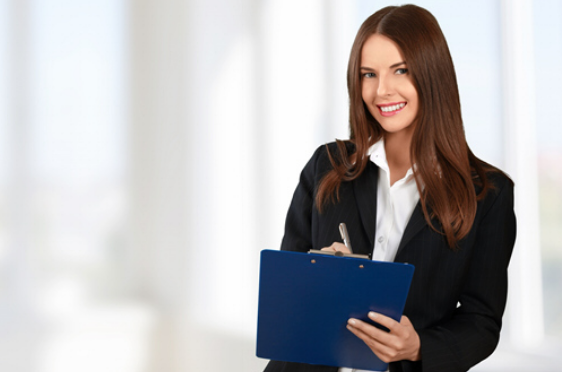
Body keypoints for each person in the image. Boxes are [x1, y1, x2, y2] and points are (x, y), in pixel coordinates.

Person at [263, 4, 516, 372]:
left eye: (401, 70)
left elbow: (482, 323)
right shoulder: (327, 166)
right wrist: (318, 270)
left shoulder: (488, 195)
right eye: (368, 74)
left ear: (432, 73)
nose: (382, 90)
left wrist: (417, 347)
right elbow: (284, 295)